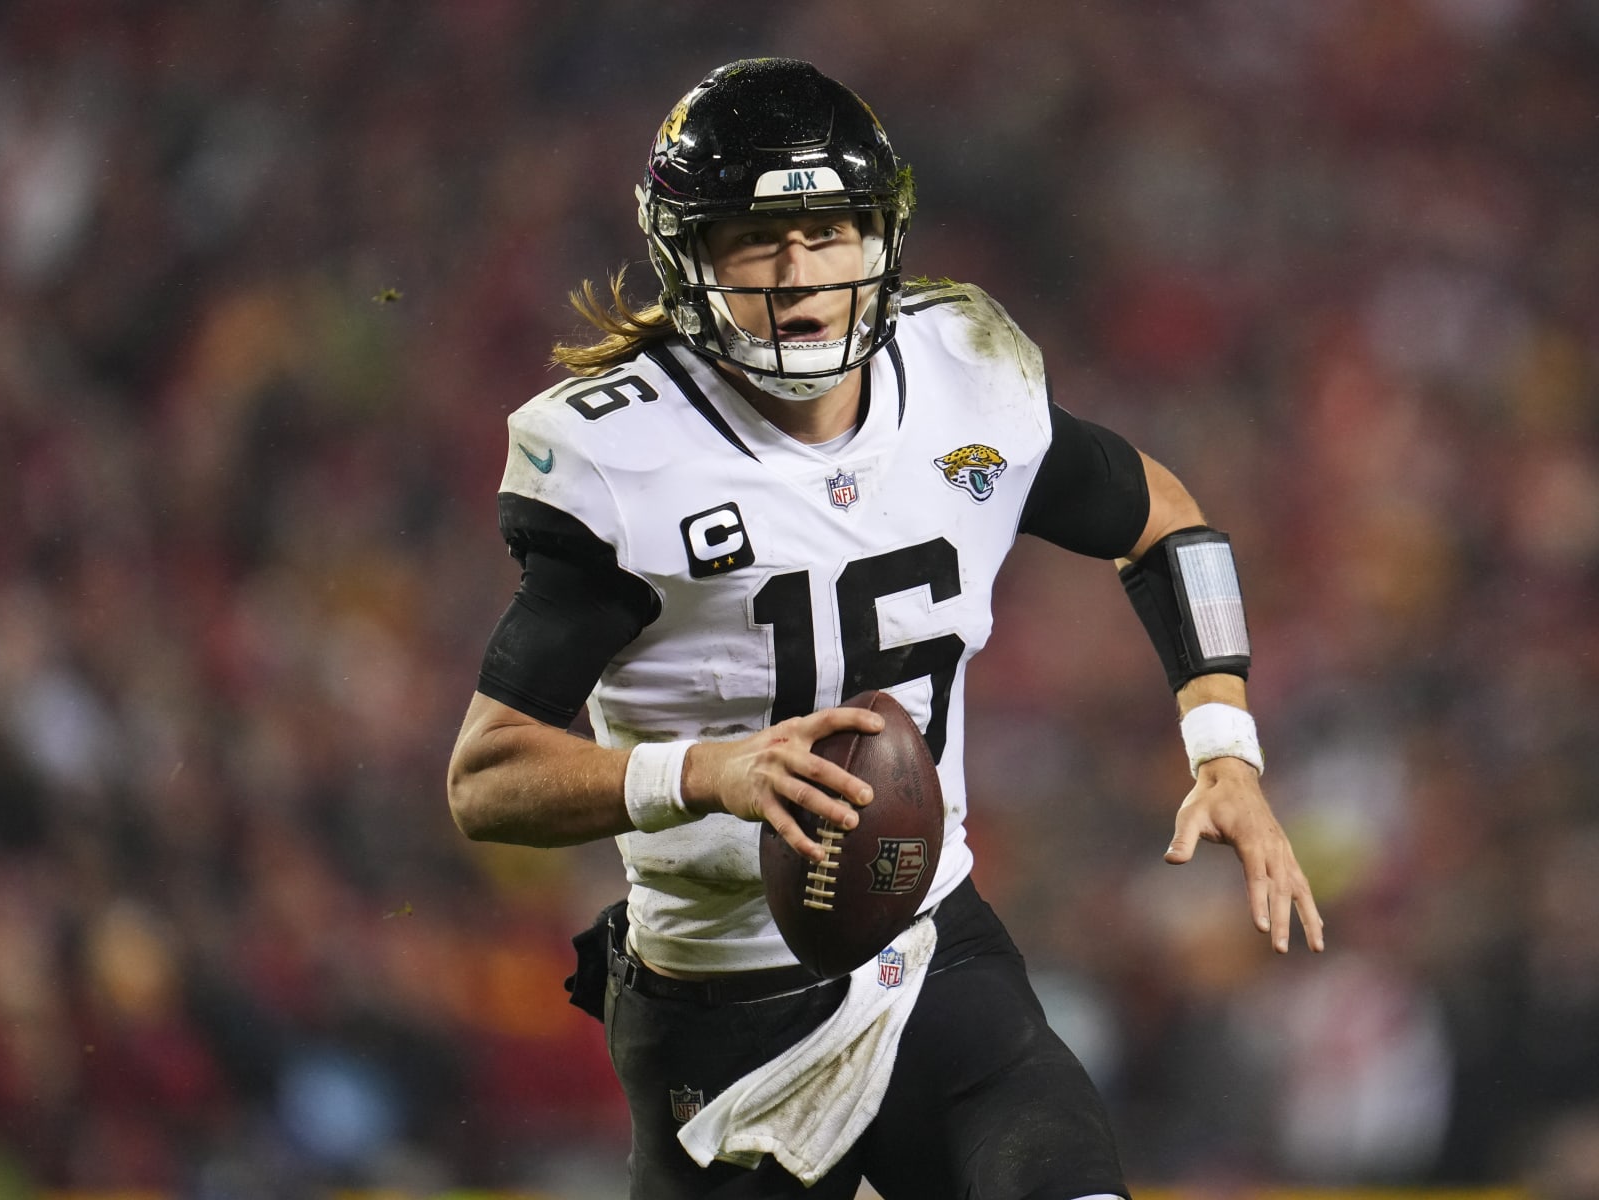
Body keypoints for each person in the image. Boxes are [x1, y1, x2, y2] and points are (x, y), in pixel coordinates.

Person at [446, 57, 1324, 1200]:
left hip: (933, 954)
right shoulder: (633, 463)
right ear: (690, 256)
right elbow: (486, 777)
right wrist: (708, 772)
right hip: (722, 1016)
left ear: (880, 236)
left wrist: (1225, 750)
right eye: (756, 239)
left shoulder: (962, 383)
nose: (798, 272)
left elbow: (1164, 522)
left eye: (826, 231)